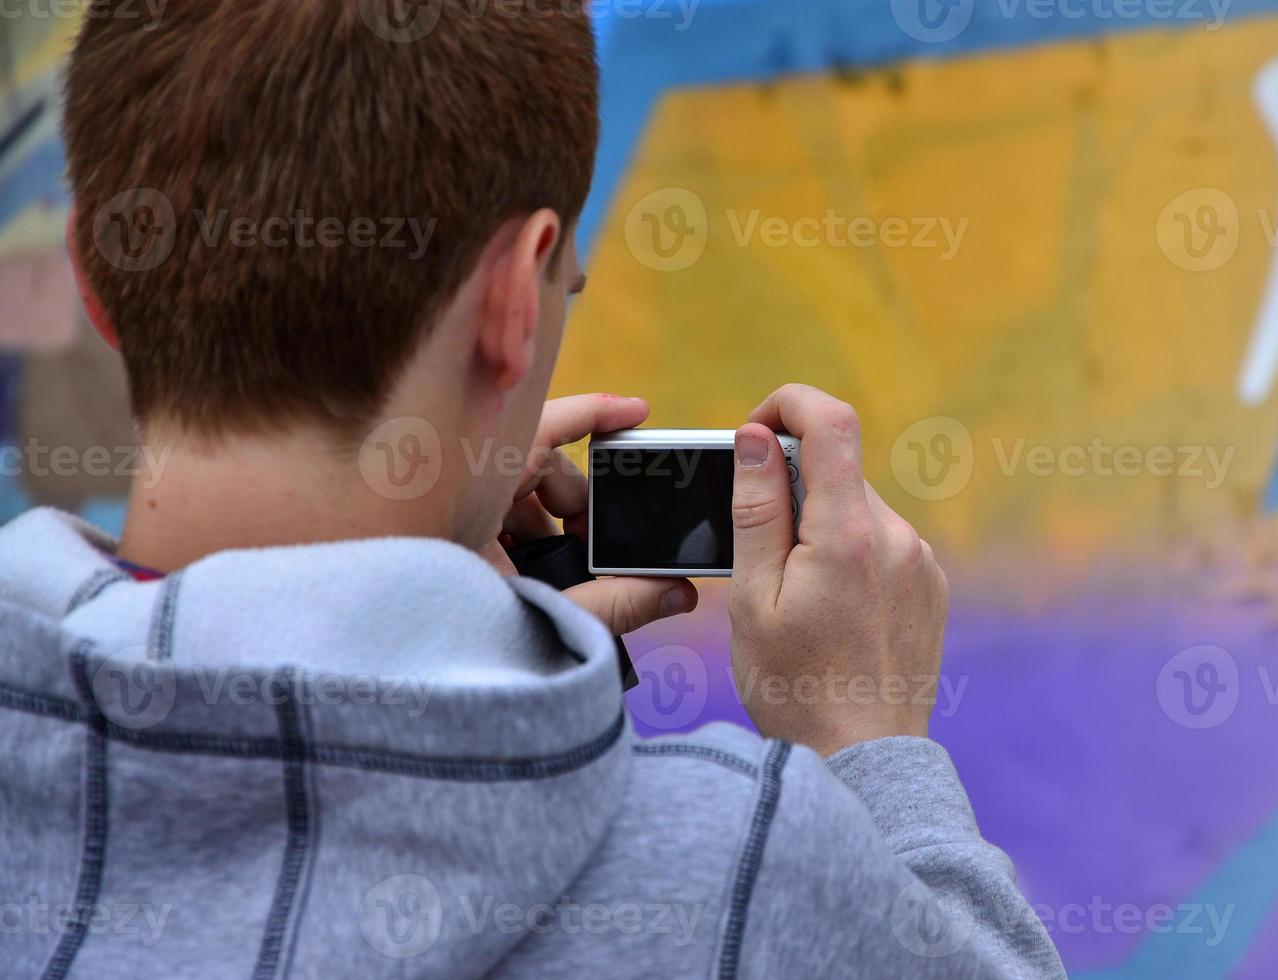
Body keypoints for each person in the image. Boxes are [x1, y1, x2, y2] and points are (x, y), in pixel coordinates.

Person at [0, 2, 1067, 977]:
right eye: (565, 288)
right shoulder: (737, 870)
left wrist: (472, 662)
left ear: (94, 275)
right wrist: (870, 740)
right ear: (515, 296)